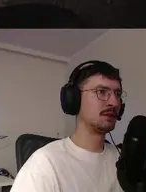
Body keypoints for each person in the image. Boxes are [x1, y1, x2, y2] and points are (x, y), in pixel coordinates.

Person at [11, 60, 126, 192]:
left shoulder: (122, 160)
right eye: (101, 91)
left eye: (117, 94)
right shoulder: (44, 165)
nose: (114, 103)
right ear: (74, 99)